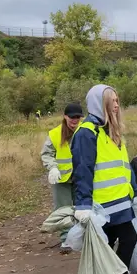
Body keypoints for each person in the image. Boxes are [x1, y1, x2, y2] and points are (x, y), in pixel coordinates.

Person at [72, 85, 137, 274]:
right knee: (123, 242)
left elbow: (125, 166)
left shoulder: (112, 132)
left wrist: (135, 191)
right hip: (101, 207)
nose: (116, 105)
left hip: (119, 204)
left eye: (117, 100)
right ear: (97, 103)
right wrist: (82, 206)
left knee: (122, 242)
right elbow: (83, 170)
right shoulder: (87, 133)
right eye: (111, 101)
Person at [40, 103, 83, 244]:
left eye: (78, 117)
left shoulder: (84, 131)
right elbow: (47, 154)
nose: (75, 120)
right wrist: (52, 168)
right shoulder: (55, 134)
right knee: (63, 209)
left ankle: (81, 236)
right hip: (62, 178)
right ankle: (66, 238)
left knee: (82, 207)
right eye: (72, 117)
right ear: (65, 117)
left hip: (80, 177)